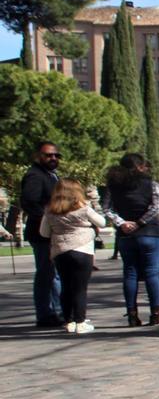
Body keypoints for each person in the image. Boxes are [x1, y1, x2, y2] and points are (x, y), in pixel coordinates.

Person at [103, 154, 159, 326]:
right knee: (152, 273)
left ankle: (131, 313)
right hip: (149, 232)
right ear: (140, 166)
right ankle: (155, 312)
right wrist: (140, 222)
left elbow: (106, 208)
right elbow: (156, 207)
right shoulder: (150, 184)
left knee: (130, 273)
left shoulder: (113, 186)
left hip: (126, 235)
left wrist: (122, 223)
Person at [39, 179, 106, 333]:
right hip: (83, 250)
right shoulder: (83, 208)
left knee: (66, 287)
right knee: (80, 288)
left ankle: (69, 320)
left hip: (61, 251)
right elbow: (102, 222)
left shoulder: (50, 210)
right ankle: (80, 321)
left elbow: (44, 233)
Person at [21, 141, 62, 326]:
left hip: (53, 232)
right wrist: (47, 220)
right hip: (41, 233)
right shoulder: (35, 175)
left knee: (53, 273)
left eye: (56, 155)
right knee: (46, 273)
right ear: (38, 156)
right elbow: (29, 202)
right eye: (48, 155)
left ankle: (58, 310)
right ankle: (46, 314)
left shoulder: (51, 175)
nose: (53, 158)